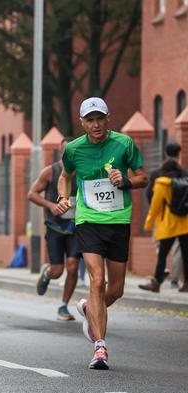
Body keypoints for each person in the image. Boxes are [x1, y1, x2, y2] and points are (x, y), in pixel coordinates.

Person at [57, 97, 148, 370]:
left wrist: (127, 180)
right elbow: (65, 175)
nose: (95, 124)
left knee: (116, 289)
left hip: (118, 220)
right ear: (82, 123)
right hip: (88, 220)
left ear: (108, 119)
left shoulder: (124, 144)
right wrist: (63, 196)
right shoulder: (73, 149)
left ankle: (89, 308)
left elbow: (144, 177)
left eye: (100, 119)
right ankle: (100, 347)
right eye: (90, 120)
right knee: (97, 281)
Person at [27, 138, 78, 321]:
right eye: (67, 152)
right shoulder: (51, 171)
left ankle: (63, 306)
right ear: (61, 152)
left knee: (73, 265)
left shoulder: (83, 170)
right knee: (58, 270)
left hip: (76, 227)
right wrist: (50, 205)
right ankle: (48, 274)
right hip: (55, 226)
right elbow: (31, 194)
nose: (71, 155)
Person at [139, 147, 188, 292]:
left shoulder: (161, 182)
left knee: (162, 255)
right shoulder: (185, 179)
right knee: (186, 255)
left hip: (168, 224)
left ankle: (156, 283)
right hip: (185, 223)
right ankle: (186, 283)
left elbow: (155, 205)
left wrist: (148, 223)